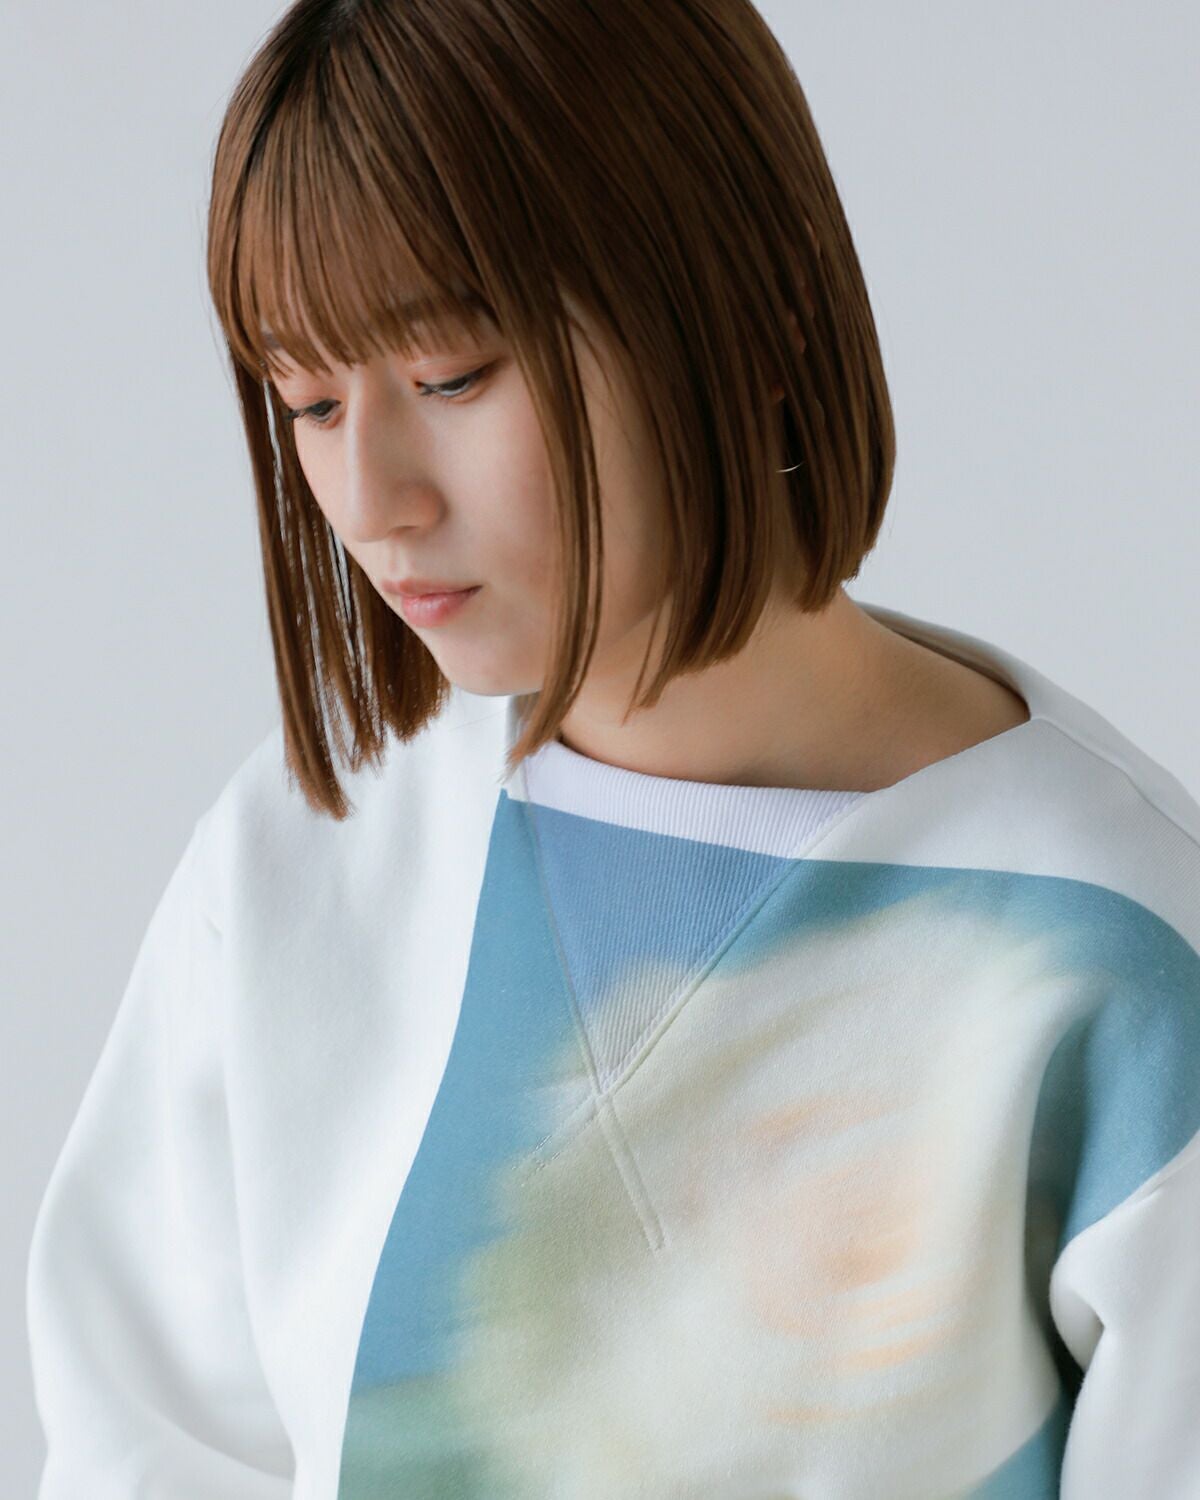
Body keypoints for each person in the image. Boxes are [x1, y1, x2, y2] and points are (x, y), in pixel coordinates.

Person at [26, 0, 1200, 1495]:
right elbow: (140, 1446)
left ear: (755, 306)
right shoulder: (305, 864)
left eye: (451, 374)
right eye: (308, 400)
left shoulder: (1111, 961)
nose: (371, 499)